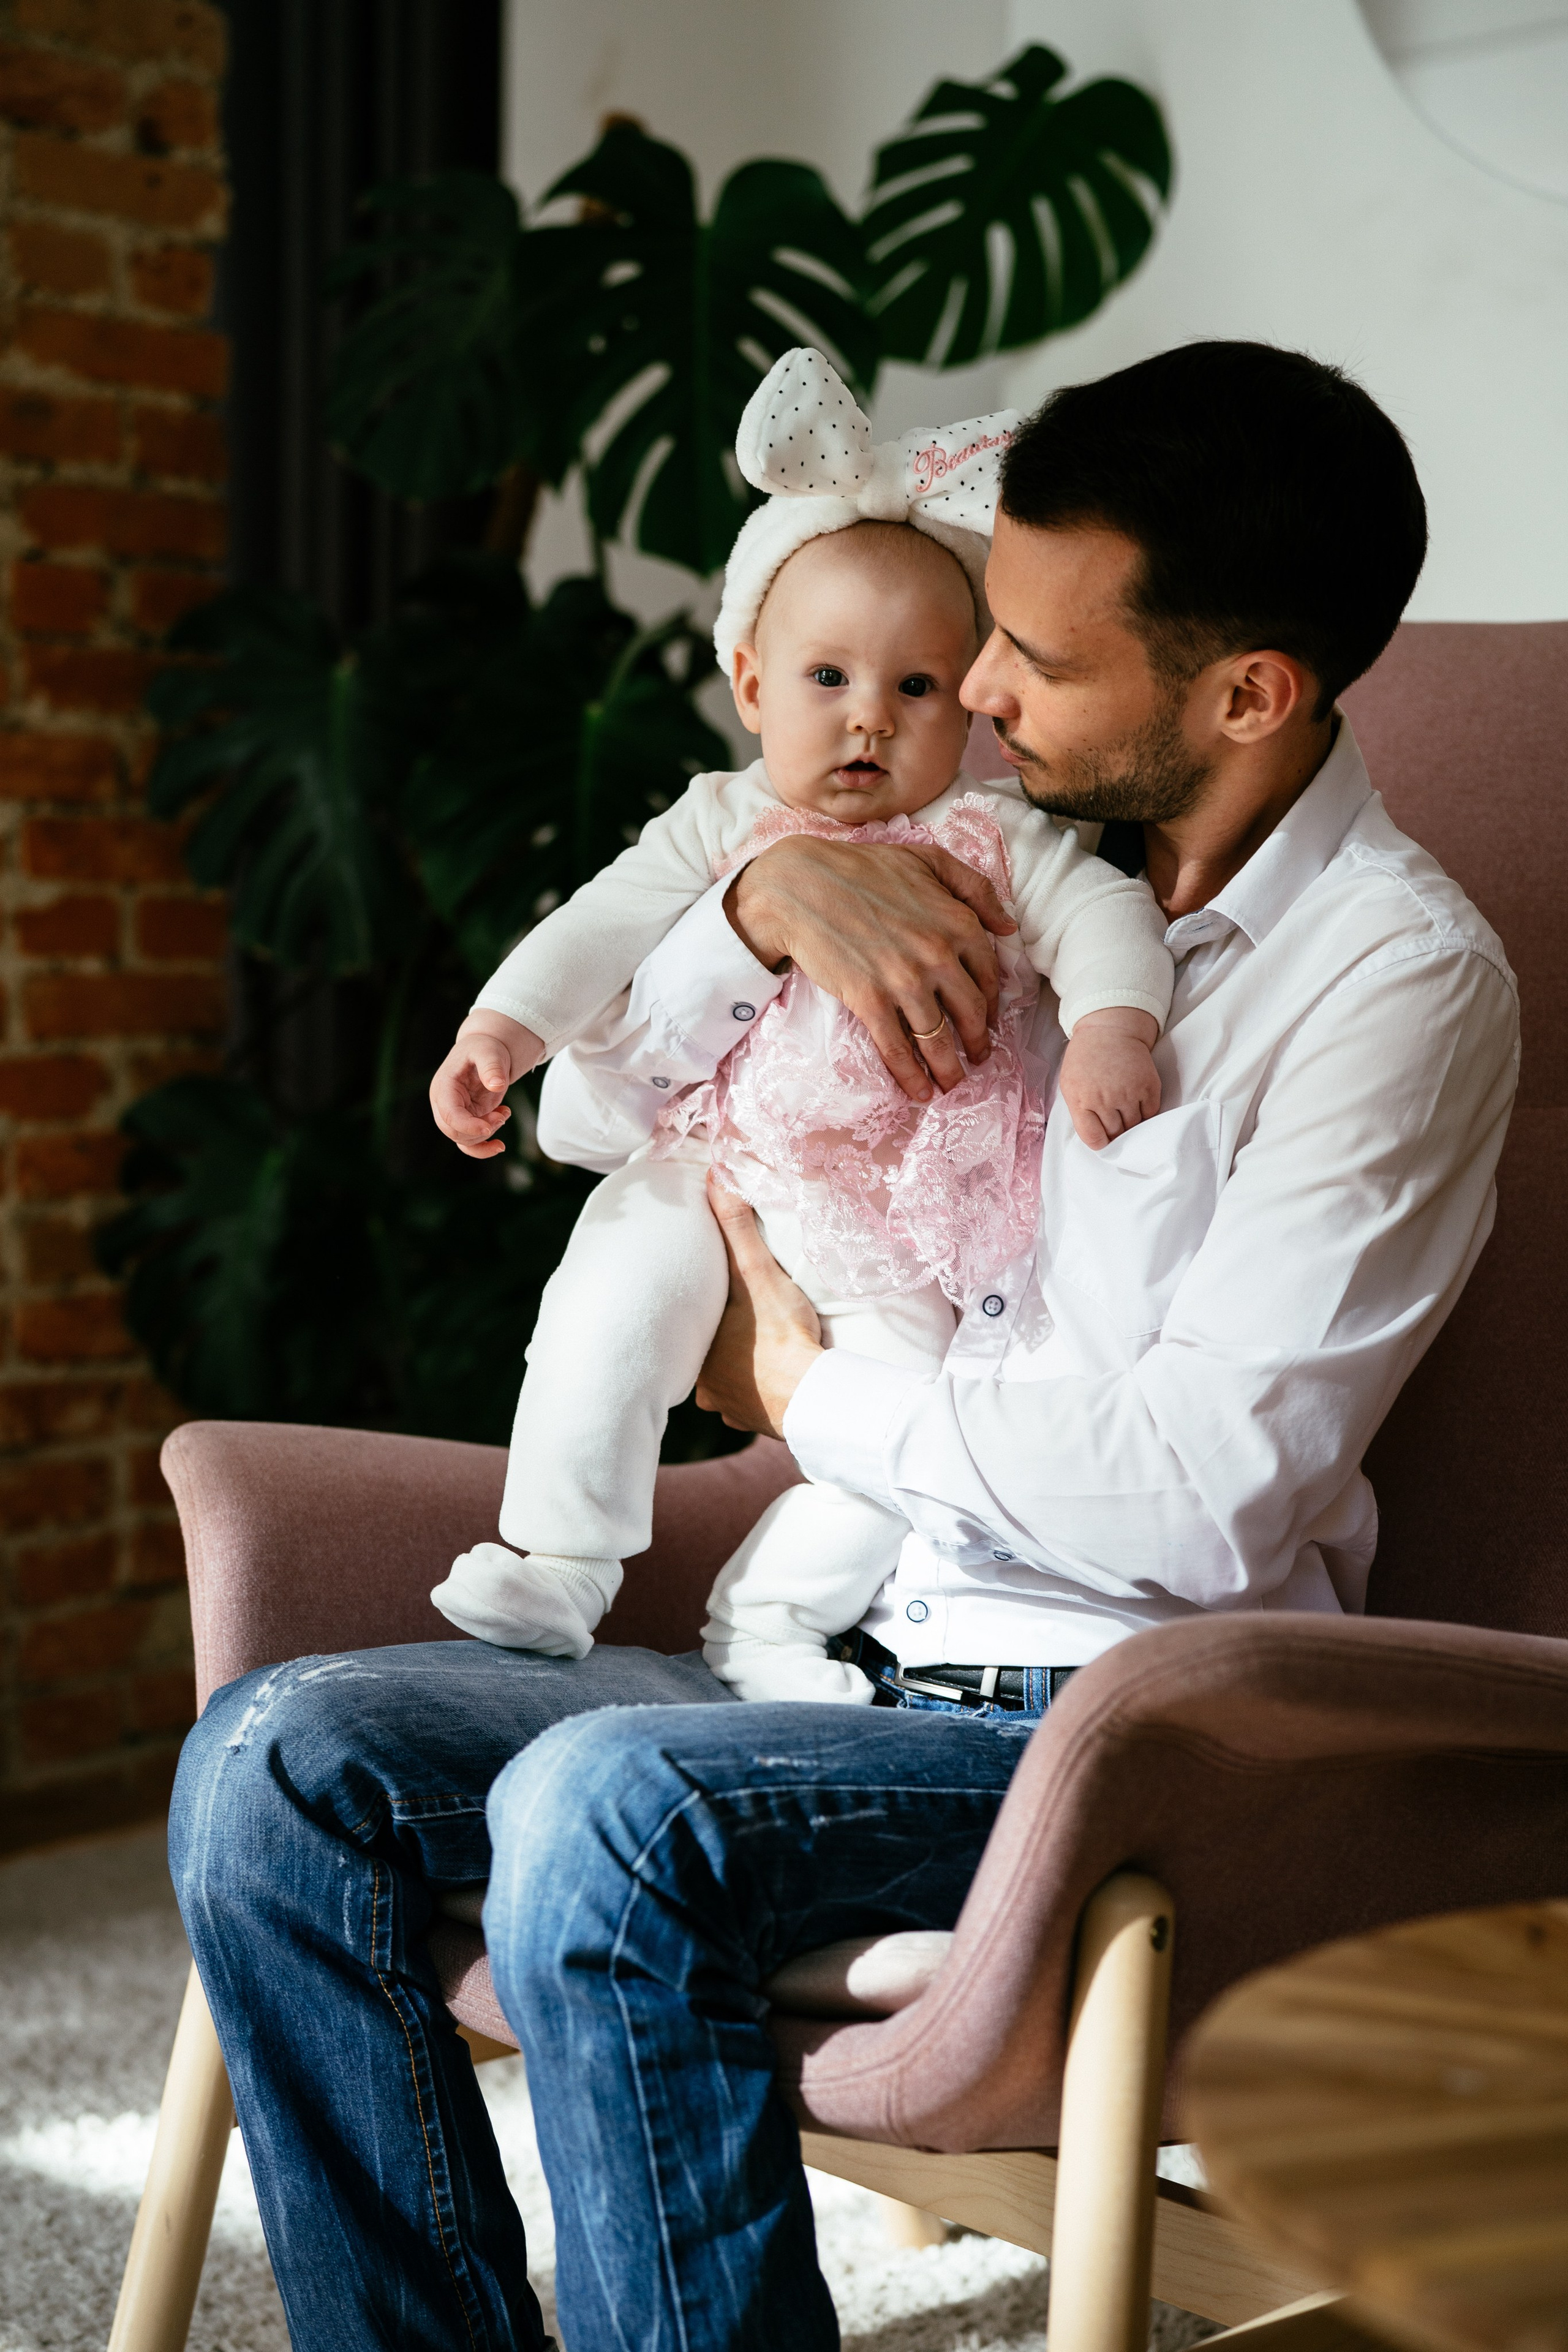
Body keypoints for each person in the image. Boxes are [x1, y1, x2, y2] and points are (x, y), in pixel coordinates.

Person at [168, 341, 1518, 2352]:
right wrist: (766, 902)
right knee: (278, 1763)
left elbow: (1202, 1504)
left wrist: (809, 1395)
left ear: (1248, 694)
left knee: (607, 1811)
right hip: (848, 1646)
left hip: (1117, 1734)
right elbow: (589, 1125)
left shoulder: (1390, 988)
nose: (969, 691)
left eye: (1033, 663)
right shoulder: (963, 843)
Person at [428, 348, 1172, 1702]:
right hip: (714, 1174)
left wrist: (1117, 1024)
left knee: (906, 1429)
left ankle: (767, 1624)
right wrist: (504, 1028)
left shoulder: (997, 837)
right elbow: (595, 926)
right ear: (751, 687)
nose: (867, 724)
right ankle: (556, 1555)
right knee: (606, 1301)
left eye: (915, 689)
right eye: (826, 678)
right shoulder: (718, 824)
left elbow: (1105, 923)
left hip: (901, 1214)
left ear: (979, 704)